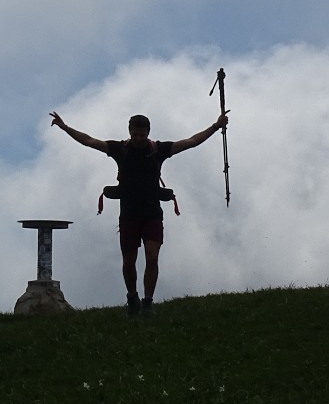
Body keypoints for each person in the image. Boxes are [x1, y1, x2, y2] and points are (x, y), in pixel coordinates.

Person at [49, 110, 227, 317]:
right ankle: (132, 297)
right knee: (128, 262)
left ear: (148, 133)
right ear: (130, 133)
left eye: (142, 135)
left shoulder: (158, 149)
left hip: (152, 214)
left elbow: (191, 142)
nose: (139, 139)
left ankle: (148, 302)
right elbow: (89, 141)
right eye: (135, 135)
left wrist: (216, 126)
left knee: (152, 258)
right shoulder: (120, 149)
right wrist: (65, 127)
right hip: (129, 215)